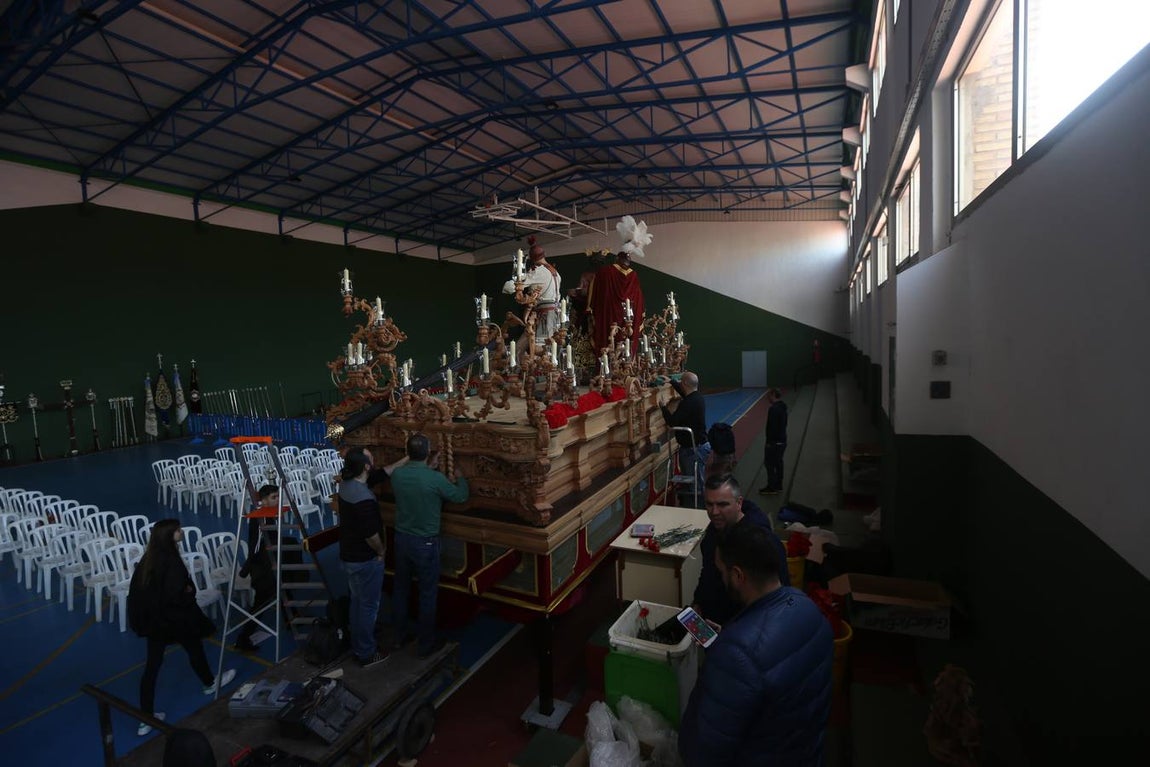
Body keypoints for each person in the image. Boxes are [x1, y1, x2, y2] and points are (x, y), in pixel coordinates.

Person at [679, 523, 833, 766]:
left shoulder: (736, 654)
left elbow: (705, 748)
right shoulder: (807, 606)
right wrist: (727, 643)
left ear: (738, 576)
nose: (721, 578)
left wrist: (728, 651)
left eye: (721, 572)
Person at [128, 519, 236, 737]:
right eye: (178, 530)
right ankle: (209, 683)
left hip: (156, 623)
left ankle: (145, 718)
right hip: (174, 619)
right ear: (170, 536)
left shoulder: (149, 559)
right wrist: (189, 591)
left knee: (153, 666)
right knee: (194, 648)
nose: (182, 532)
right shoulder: (171, 561)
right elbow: (177, 594)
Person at [390, 433, 469, 657]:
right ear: (427, 453)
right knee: (427, 594)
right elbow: (460, 496)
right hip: (425, 543)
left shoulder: (397, 474)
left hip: (401, 540)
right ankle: (425, 644)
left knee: (401, 589)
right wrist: (461, 478)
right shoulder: (434, 479)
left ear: (408, 452)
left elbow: (417, 481)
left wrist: (429, 467)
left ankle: (399, 636)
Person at [691, 474, 788, 627]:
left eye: (722, 505)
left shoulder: (762, 543)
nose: (714, 512)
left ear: (739, 503)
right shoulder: (715, 530)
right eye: (709, 504)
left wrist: (734, 632)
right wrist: (699, 602)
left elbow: (776, 596)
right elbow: (708, 570)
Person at [338, 447, 389, 667]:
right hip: (365, 559)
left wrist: (405, 460)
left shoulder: (346, 486)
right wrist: (380, 551)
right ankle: (366, 652)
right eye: (370, 458)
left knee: (357, 602)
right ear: (366, 466)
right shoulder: (363, 498)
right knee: (369, 607)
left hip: (349, 555)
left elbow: (378, 475)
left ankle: (357, 643)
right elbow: (370, 535)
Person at [233, 484, 280, 653]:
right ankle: (243, 637)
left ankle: (292, 618)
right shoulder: (260, 518)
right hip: (261, 568)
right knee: (260, 603)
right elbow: (255, 547)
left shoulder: (270, 514)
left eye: (277, 496)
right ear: (264, 500)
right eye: (274, 497)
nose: (277, 500)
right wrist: (248, 568)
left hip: (269, 562)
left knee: (281, 589)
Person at [660, 371, 709, 507]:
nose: (680, 383)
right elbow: (685, 395)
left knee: (695, 485)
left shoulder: (687, 403)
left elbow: (672, 422)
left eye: (681, 381)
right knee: (698, 481)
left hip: (692, 450)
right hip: (701, 446)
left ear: (685, 383)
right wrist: (671, 382)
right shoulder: (697, 397)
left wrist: (663, 407)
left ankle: (696, 509)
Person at [502, 235, 562, 344]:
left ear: (531, 259)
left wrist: (511, 284)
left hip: (544, 315)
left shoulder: (539, 271)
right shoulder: (556, 273)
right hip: (556, 315)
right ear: (544, 255)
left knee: (541, 347)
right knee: (552, 347)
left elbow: (510, 287)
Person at [760, 388, 789, 495]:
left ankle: (772, 487)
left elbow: (772, 428)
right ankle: (778, 485)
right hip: (782, 440)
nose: (767, 397)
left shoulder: (773, 409)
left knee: (770, 464)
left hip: (774, 443)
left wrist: (769, 442)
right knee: (778, 463)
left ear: (773, 395)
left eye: (769, 395)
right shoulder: (783, 407)